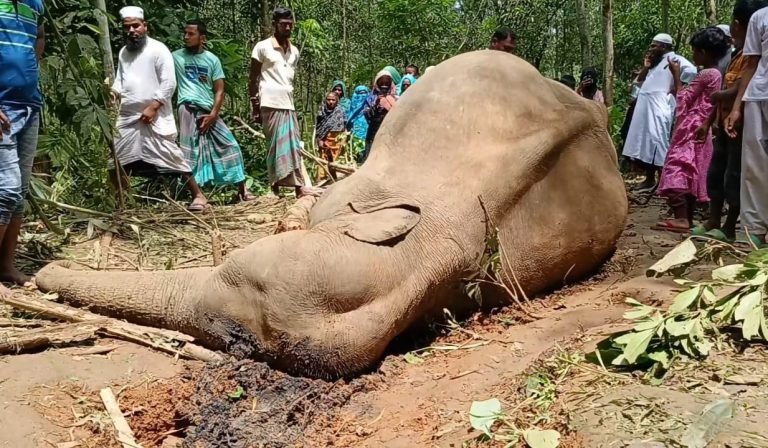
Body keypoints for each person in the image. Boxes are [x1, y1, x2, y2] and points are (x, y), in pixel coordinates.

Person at [110, 7, 209, 211]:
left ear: (145, 26)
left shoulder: (158, 49)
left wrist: (154, 107)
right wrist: (114, 91)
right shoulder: (123, 52)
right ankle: (123, 203)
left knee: (171, 155)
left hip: (154, 116)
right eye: (127, 27)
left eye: (136, 26)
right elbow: (120, 79)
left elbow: (169, 83)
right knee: (116, 158)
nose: (132, 31)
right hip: (128, 116)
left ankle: (198, 195)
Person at [692, 6, 763, 242]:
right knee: (716, 171)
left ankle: (730, 225)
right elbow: (725, 87)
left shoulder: (751, 57)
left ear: (738, 24)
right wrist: (708, 122)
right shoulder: (735, 55)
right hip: (723, 122)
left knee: (734, 173)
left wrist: (722, 96)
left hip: (739, 124)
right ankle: (713, 219)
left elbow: (739, 88)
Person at [654, 27, 730, 233]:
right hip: (700, 127)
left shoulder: (706, 74)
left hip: (690, 128)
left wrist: (676, 76)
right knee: (690, 169)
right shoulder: (718, 74)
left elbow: (684, 100)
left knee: (677, 166)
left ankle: (681, 217)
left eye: (695, 51)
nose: (693, 55)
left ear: (703, 52)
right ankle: (685, 217)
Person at [173, 19, 254, 202]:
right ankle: (196, 195)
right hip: (187, 108)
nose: (186, 37)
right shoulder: (175, 57)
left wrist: (213, 115)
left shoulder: (212, 60)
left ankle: (242, 189)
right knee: (188, 151)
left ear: (202, 38)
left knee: (230, 145)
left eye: (191, 34)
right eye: (185, 33)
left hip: (208, 110)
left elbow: (219, 90)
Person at [249, 7, 318, 198]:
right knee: (274, 146)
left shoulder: (294, 51)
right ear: (275, 25)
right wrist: (255, 105)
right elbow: (253, 78)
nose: (287, 28)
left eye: (290, 24)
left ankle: (298, 187)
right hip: (269, 102)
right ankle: (274, 187)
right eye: (283, 24)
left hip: (288, 103)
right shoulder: (262, 47)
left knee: (293, 146)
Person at [0, 0, 44, 291]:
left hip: (29, 106)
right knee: (6, 190)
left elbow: (40, 35)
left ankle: (6, 265)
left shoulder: (36, 3)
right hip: (2, 108)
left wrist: (31, 71)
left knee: (19, 194)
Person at [622, 33, 697, 192]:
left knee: (658, 142)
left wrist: (677, 85)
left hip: (659, 107)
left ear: (664, 47)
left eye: (654, 46)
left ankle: (665, 181)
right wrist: (646, 66)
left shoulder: (674, 59)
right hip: (645, 106)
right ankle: (649, 180)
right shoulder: (655, 63)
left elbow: (691, 71)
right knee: (646, 144)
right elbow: (638, 82)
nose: (651, 49)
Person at [725, 0, 768, 247]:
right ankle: (754, 231)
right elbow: (751, 64)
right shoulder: (760, 17)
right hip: (758, 95)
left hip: (758, 95)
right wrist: (736, 107)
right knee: (754, 164)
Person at [362, 71, 398, 162]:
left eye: (387, 83)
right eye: (382, 83)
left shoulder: (397, 98)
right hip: (374, 131)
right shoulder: (370, 98)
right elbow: (367, 116)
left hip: (390, 132)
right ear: (377, 83)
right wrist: (376, 106)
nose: (384, 86)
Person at [315, 92, 346, 181]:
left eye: (333, 100)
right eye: (328, 99)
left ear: (337, 101)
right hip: (325, 138)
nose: (331, 102)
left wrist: (344, 139)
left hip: (338, 138)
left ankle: (336, 179)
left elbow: (344, 125)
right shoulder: (321, 111)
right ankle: (322, 180)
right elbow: (319, 126)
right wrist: (320, 139)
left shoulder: (340, 111)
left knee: (336, 158)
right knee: (323, 158)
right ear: (325, 100)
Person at [345, 85, 370, 162]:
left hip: (367, 137)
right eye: (360, 93)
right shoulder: (350, 108)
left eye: (364, 93)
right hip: (354, 138)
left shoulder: (370, 107)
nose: (362, 95)